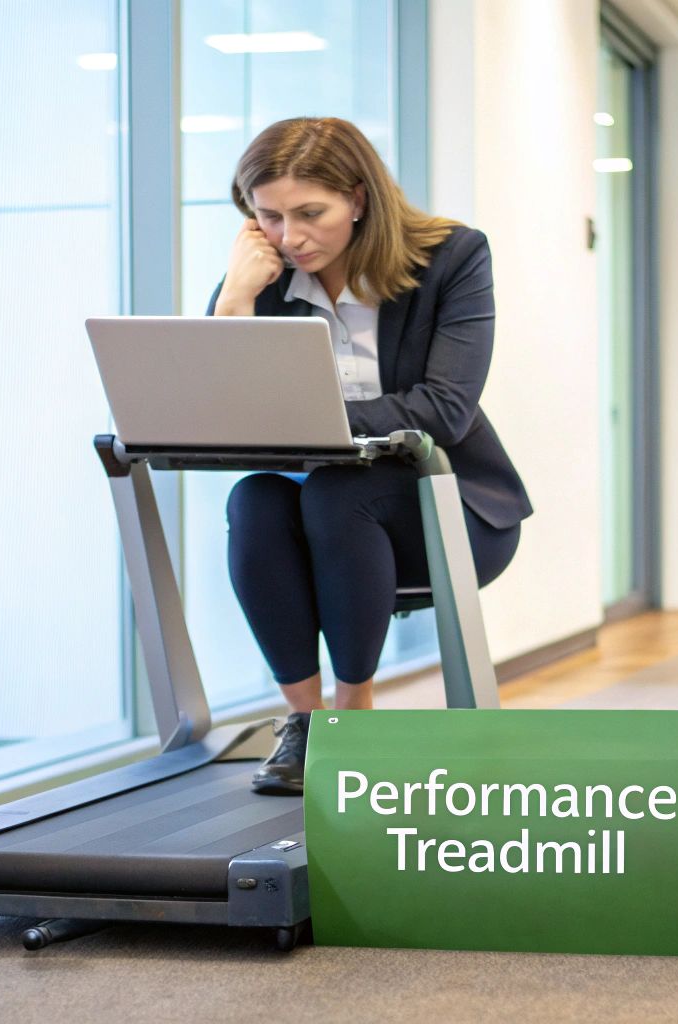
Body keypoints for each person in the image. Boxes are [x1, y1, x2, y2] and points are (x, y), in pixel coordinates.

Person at [207, 117, 531, 795]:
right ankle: (304, 721)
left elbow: (445, 407)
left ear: (358, 198)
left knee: (336, 490)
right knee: (256, 500)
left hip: (450, 512)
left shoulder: (454, 258)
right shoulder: (262, 278)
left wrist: (313, 422)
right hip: (326, 525)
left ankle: (354, 706)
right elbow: (224, 414)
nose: (290, 236)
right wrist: (234, 299)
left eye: (310, 214)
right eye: (267, 216)